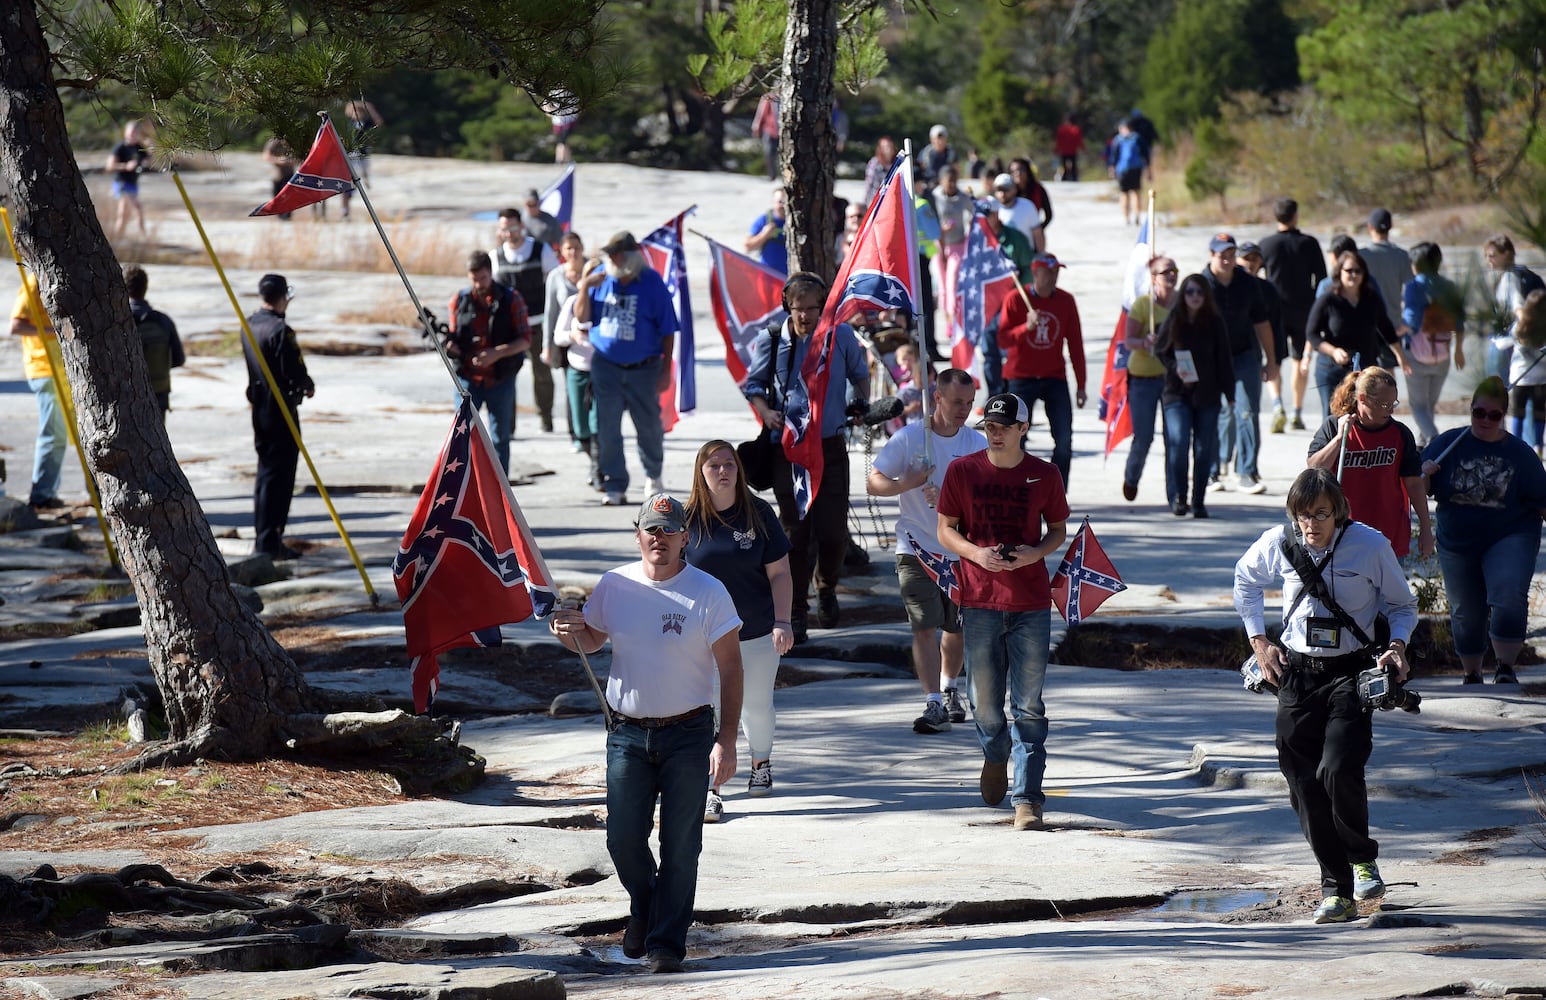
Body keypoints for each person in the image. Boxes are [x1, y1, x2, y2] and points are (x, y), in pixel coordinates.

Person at [547, 494, 744, 974]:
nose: (659, 539)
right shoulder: (615, 585)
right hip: (628, 734)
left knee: (681, 844)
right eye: (651, 530)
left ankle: (665, 947)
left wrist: (728, 740)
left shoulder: (708, 591)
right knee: (622, 839)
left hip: (689, 735)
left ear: (684, 538)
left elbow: (732, 668)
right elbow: (592, 639)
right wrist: (567, 630)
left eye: (669, 530)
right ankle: (647, 904)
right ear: (638, 535)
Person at [1233, 467, 1417, 924]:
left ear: (1337, 511)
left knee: (1337, 768)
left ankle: (1360, 860)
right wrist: (1259, 640)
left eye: (1320, 514)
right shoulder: (1279, 542)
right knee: (1301, 781)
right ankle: (1336, 889)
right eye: (1302, 516)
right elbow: (1244, 580)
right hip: (1296, 674)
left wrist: (1397, 646)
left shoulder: (1370, 545)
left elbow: (1402, 604)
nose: (1311, 525)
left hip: (1351, 674)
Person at [937, 392, 1070, 832]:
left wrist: (1035, 554)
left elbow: (1057, 531)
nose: (994, 433)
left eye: (1002, 427)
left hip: (1031, 603)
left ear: (1022, 430)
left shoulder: (1044, 474)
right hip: (979, 601)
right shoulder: (963, 471)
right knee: (984, 703)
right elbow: (945, 531)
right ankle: (995, 754)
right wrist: (976, 554)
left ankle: (1028, 799)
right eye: (989, 427)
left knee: (1028, 706)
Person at [742, 271, 870, 642]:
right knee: (795, 533)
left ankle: (826, 587)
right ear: (788, 307)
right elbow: (754, 386)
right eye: (798, 309)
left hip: (829, 445)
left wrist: (857, 403)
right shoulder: (772, 337)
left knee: (832, 533)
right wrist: (765, 413)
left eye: (813, 308)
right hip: (788, 448)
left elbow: (860, 377)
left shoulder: (840, 335)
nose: (805, 317)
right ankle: (795, 609)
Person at [867, 369, 985, 734]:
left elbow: (985, 498)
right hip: (916, 547)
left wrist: (954, 501)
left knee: (956, 626)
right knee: (924, 625)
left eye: (968, 403)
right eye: (956, 402)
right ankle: (932, 701)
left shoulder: (975, 444)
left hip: (960, 549)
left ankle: (950, 688)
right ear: (937, 398)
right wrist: (910, 482)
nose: (964, 410)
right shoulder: (910, 438)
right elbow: (875, 481)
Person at [684, 441, 793, 822]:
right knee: (707, 710)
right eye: (714, 465)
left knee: (756, 705)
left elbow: (779, 572)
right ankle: (711, 788)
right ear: (701, 471)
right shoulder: (686, 519)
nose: (723, 471)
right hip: (702, 637)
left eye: (729, 464)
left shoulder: (759, 514)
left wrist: (783, 621)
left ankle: (760, 761)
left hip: (757, 631)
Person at [1422, 376, 1546, 685]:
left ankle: (1505, 666)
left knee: (1507, 593)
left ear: (1504, 416)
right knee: (1465, 609)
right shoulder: (1449, 444)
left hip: (1510, 534)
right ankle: (1472, 672)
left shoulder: (1520, 453)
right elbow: (1417, 489)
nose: (1485, 420)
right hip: (1457, 540)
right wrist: (1424, 475)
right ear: (1471, 411)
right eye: (1479, 413)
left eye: (1494, 415)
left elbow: (1542, 500)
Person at [574, 231, 678, 506]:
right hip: (606, 366)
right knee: (607, 428)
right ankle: (615, 484)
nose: (612, 260)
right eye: (610, 255)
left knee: (648, 426)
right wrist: (584, 287)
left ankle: (653, 475)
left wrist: (666, 368)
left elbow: (668, 330)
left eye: (617, 255)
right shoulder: (599, 278)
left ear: (631, 257)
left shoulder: (652, 283)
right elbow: (581, 317)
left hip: (644, 368)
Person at [1307, 368, 1432, 561]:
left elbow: (1414, 484)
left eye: (1393, 404)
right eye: (1384, 404)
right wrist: (1339, 439)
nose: (1390, 410)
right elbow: (1314, 468)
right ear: (1363, 399)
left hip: (1387, 534)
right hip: (1343, 533)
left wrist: (1425, 527)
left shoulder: (1400, 433)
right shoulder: (1334, 426)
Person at [996, 254, 1086, 487]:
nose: (1054, 277)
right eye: (1049, 272)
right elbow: (1003, 340)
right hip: (1020, 378)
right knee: (1016, 439)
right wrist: (1025, 327)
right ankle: (1019, 488)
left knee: (1064, 440)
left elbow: (1075, 344)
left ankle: (1057, 492)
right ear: (1036, 274)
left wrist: (1082, 385)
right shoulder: (1016, 299)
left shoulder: (1066, 301)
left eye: (1057, 271)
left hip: (1054, 377)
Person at [244, 274, 315, 560]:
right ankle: (271, 541)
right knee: (280, 476)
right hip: (280, 410)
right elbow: (294, 372)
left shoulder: (249, 324)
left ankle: (263, 537)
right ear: (282, 297)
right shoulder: (280, 330)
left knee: (265, 473)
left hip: (259, 408)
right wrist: (307, 385)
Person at [1202, 234, 1278, 495]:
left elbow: (1262, 323)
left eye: (1230, 253)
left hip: (1245, 354)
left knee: (1247, 411)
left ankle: (1246, 472)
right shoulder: (1201, 284)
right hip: (1210, 358)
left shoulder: (1247, 283)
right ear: (1211, 255)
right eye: (1221, 253)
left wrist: (1272, 360)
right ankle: (1211, 471)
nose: (1226, 258)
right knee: (1212, 412)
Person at [445, 251, 532, 474]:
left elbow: (525, 340)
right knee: (462, 437)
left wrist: (497, 353)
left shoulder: (511, 299)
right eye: (473, 279)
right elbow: (453, 335)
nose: (478, 284)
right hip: (468, 378)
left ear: (491, 273)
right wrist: (450, 347)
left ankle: (500, 489)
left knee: (500, 437)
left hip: (500, 378)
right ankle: (465, 486)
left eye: (482, 278)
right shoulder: (459, 301)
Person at [1156, 273, 1234, 518]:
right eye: (1190, 292)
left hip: (1207, 394)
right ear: (1183, 294)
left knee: (1203, 450)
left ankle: (1198, 500)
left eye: (1199, 292)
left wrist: (1229, 394)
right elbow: (1160, 350)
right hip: (1176, 393)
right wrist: (1174, 368)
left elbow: (1225, 360)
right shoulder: (1175, 318)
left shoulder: (1215, 321)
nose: (1195, 297)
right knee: (1178, 443)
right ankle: (1179, 496)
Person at [1307, 250, 1407, 420]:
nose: (1353, 275)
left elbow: (1387, 329)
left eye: (1357, 271)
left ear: (1364, 274)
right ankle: (1336, 446)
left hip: (1365, 369)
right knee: (1334, 418)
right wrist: (1333, 351)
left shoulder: (1371, 299)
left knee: (1367, 416)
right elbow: (1312, 334)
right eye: (1348, 270)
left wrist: (1400, 356)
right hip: (1333, 369)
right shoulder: (1328, 299)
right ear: (1339, 272)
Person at [1260, 198, 1328, 432]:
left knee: (1274, 359)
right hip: (1305, 311)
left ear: (1276, 216)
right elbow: (1321, 280)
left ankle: (1278, 405)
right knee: (1301, 361)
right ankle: (1297, 412)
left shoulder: (1266, 245)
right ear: (1295, 215)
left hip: (1274, 310)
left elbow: (1254, 275)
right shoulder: (1309, 244)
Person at [492, 209, 560, 435]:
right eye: (504, 229)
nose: (509, 234)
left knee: (542, 374)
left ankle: (546, 419)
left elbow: (554, 285)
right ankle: (507, 426)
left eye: (513, 228)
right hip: (509, 329)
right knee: (507, 375)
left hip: (538, 324)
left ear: (521, 226)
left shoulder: (541, 250)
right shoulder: (495, 257)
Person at [1121, 256, 1179, 502]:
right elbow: (1128, 340)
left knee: (1174, 437)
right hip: (1143, 377)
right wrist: (1145, 342)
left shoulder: (1181, 305)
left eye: (1174, 271)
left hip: (1171, 378)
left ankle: (1175, 493)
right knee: (1144, 437)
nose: (1172, 275)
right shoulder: (1144, 305)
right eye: (1166, 272)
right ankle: (1132, 477)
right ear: (1154, 277)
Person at [9, 273, 68, 511]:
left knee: (73, 433)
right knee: (54, 434)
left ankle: (92, 490)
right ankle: (41, 496)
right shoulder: (34, 282)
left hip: (61, 370)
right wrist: (55, 331)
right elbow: (17, 325)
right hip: (44, 368)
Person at [1398, 242, 1465, 447]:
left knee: (1418, 406)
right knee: (1430, 404)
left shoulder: (1414, 287)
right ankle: (1422, 442)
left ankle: (1434, 438)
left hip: (1416, 355)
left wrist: (1396, 331)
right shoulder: (1449, 286)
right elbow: (1460, 321)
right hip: (1443, 353)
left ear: (1416, 264)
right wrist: (1459, 351)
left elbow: (1411, 319)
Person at [545, 231, 594, 476]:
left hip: (591, 347)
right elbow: (551, 313)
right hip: (564, 341)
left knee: (592, 392)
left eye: (576, 247)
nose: (573, 252)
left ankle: (593, 435)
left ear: (582, 248)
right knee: (571, 388)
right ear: (561, 253)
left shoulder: (593, 272)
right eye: (568, 249)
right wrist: (547, 346)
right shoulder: (555, 276)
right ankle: (576, 433)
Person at [1238, 242, 1287, 435]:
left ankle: (1246, 464)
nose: (1250, 263)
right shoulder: (1227, 285)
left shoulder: (1268, 289)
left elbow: (1276, 326)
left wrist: (1274, 361)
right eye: (1246, 258)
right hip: (1229, 352)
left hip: (1253, 354)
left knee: (1249, 408)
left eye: (1255, 259)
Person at [124, 265, 185, 419]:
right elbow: (179, 359)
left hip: (126, 396)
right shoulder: (163, 321)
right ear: (145, 287)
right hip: (158, 395)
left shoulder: (118, 323)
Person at [1483, 234, 1542, 380]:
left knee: (1499, 393)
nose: (1488, 260)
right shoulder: (1529, 275)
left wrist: (1522, 327)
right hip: (1534, 343)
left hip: (1505, 343)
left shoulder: (1509, 278)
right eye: (1486, 256)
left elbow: (1518, 307)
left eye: (1492, 256)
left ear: (1507, 254)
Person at [1360, 209, 1408, 367]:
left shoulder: (1361, 256)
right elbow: (1410, 289)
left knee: (1365, 372)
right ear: (1390, 227)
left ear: (1370, 227)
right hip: (1393, 322)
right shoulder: (1401, 255)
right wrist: (1407, 321)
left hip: (1366, 321)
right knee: (1387, 373)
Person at [933, 165, 974, 332]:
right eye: (948, 181)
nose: (951, 185)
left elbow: (973, 214)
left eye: (954, 181)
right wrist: (940, 230)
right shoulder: (935, 196)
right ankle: (947, 319)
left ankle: (954, 321)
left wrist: (970, 234)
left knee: (952, 283)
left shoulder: (963, 198)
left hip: (957, 243)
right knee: (942, 286)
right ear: (941, 181)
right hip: (938, 244)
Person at [107, 120, 150, 239]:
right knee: (133, 209)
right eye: (131, 132)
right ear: (126, 133)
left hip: (133, 183)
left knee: (126, 213)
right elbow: (109, 166)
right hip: (121, 182)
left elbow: (148, 162)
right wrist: (126, 166)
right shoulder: (120, 147)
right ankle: (142, 236)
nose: (133, 135)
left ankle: (118, 237)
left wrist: (150, 148)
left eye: (136, 133)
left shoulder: (139, 147)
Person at [341, 98, 384, 218]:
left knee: (364, 169)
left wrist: (369, 108)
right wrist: (357, 104)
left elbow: (379, 121)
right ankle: (345, 209)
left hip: (363, 154)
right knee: (353, 176)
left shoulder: (367, 124)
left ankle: (365, 178)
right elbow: (348, 107)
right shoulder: (348, 123)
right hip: (352, 155)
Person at [1108, 119, 1148, 226]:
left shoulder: (1118, 140)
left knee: (1124, 194)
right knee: (1135, 192)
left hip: (1122, 170)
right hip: (1136, 168)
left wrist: (1112, 169)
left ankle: (1126, 218)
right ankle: (1137, 215)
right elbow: (1146, 154)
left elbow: (1113, 157)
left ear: (1121, 128)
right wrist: (1149, 170)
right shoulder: (1137, 138)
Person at [991, 172, 1043, 251]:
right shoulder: (991, 209)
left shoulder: (1027, 206)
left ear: (1015, 189)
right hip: (1001, 258)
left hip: (1025, 257)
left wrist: (1041, 254)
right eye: (999, 190)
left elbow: (1037, 233)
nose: (1002, 193)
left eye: (1006, 189)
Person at [745, 186, 788, 274]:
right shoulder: (764, 220)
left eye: (786, 202)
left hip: (790, 277)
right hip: (768, 276)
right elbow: (748, 246)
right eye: (780, 202)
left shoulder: (796, 222)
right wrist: (764, 235)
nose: (783, 205)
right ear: (773, 202)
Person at [1010, 157, 1053, 232]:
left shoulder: (1038, 190)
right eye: (1014, 171)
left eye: (1021, 169)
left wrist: (1039, 229)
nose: (1018, 173)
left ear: (1027, 171)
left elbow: (1048, 215)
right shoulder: (1007, 191)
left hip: (1032, 235)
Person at [260, 136, 297, 221]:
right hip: (277, 176)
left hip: (289, 176)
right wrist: (279, 160)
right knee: (277, 201)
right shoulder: (274, 141)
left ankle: (286, 219)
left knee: (288, 200)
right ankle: (281, 220)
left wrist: (290, 161)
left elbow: (299, 158)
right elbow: (266, 156)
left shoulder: (293, 141)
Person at [752, 91, 780, 181]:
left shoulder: (787, 96)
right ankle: (772, 175)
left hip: (782, 130)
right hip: (770, 129)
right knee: (769, 153)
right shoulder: (769, 97)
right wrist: (757, 128)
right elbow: (761, 114)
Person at [863, 136, 898, 210]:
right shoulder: (874, 163)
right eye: (885, 147)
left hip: (892, 200)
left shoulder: (897, 164)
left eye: (890, 147)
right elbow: (869, 184)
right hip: (877, 200)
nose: (888, 150)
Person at [1054, 113, 1085, 182]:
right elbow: (1079, 141)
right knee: (1073, 166)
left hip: (1064, 151)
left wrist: (1056, 150)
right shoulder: (1076, 129)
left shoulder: (1061, 129)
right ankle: (1074, 178)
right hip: (1072, 151)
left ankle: (1064, 178)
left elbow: (1058, 141)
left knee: (1064, 166)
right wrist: (1083, 150)